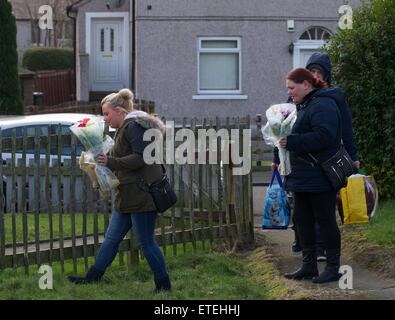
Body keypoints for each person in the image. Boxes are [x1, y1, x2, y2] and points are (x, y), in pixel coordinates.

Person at [67, 88, 172, 293]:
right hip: (127, 195)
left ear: (118, 111)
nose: (105, 119)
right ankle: (92, 278)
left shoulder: (133, 127)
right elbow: (127, 157)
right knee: (112, 239)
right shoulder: (127, 127)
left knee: (146, 242)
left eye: (107, 114)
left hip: (141, 195)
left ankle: (164, 285)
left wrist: (110, 161)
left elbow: (141, 157)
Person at [273, 52, 359, 261]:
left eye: (319, 71)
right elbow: (283, 130)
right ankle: (305, 249)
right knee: (301, 212)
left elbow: (338, 131)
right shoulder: (297, 98)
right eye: (312, 71)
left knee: (324, 212)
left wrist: (353, 154)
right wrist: (277, 156)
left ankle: (324, 253)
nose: (315, 75)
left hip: (323, 164)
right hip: (300, 167)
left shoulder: (330, 99)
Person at [280, 68, 343, 284]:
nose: (289, 93)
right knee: (302, 220)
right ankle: (309, 266)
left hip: (320, 175)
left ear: (306, 84)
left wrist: (292, 142)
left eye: (292, 88)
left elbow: (324, 136)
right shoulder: (302, 105)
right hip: (302, 174)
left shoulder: (323, 104)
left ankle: (333, 267)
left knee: (325, 220)